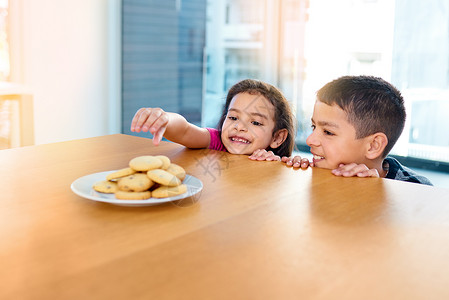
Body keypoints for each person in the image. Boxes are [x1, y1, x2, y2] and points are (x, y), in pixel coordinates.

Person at [256, 75, 433, 185]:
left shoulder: (417, 190)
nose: (310, 140)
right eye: (314, 126)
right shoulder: (317, 170)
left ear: (373, 146)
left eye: (328, 132)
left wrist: (373, 193)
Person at [130, 78, 296, 158]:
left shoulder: (274, 161)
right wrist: (166, 119)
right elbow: (185, 130)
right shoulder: (218, 141)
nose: (239, 127)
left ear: (277, 137)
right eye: (233, 117)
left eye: (255, 122)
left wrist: (274, 165)